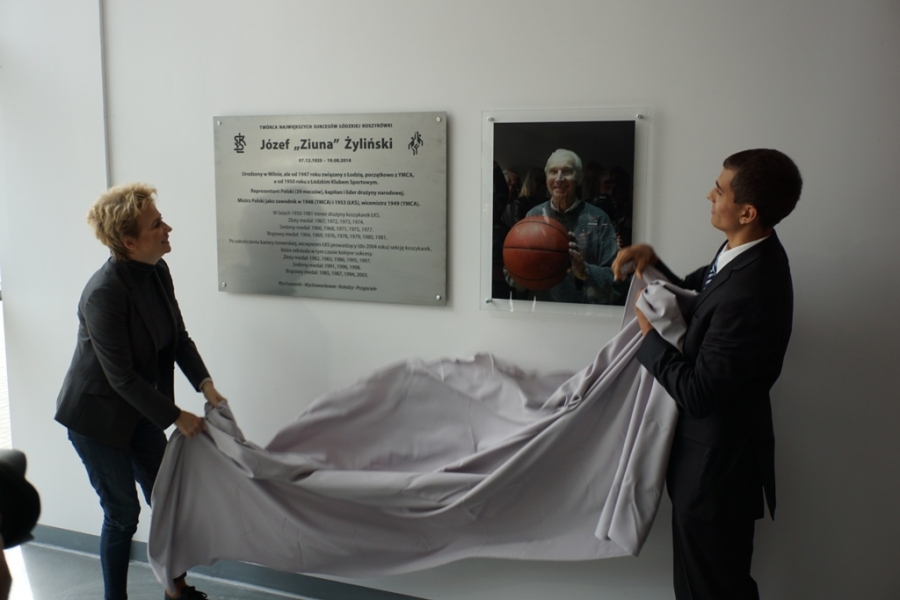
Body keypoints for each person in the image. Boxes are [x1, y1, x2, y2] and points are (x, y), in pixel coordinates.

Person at [612, 149, 802, 599]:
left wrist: (647, 338)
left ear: (747, 212)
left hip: (716, 478)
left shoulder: (753, 291)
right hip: (708, 468)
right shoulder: (745, 251)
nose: (709, 196)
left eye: (719, 190)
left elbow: (699, 393)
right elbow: (698, 297)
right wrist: (652, 264)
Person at [55, 183, 226, 600]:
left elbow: (178, 339)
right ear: (129, 242)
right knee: (123, 514)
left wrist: (206, 385)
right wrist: (177, 416)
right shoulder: (104, 293)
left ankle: (176, 589)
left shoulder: (157, 272)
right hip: (96, 420)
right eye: (156, 224)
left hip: (140, 410)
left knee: (169, 501)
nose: (168, 228)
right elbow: (121, 377)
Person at [510, 149, 625, 304]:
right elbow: (515, 279)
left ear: (579, 178)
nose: (559, 178)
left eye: (567, 172)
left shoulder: (598, 218)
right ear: (547, 179)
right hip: (542, 311)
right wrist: (519, 272)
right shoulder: (533, 216)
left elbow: (617, 281)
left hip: (584, 313)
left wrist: (585, 271)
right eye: (553, 172)